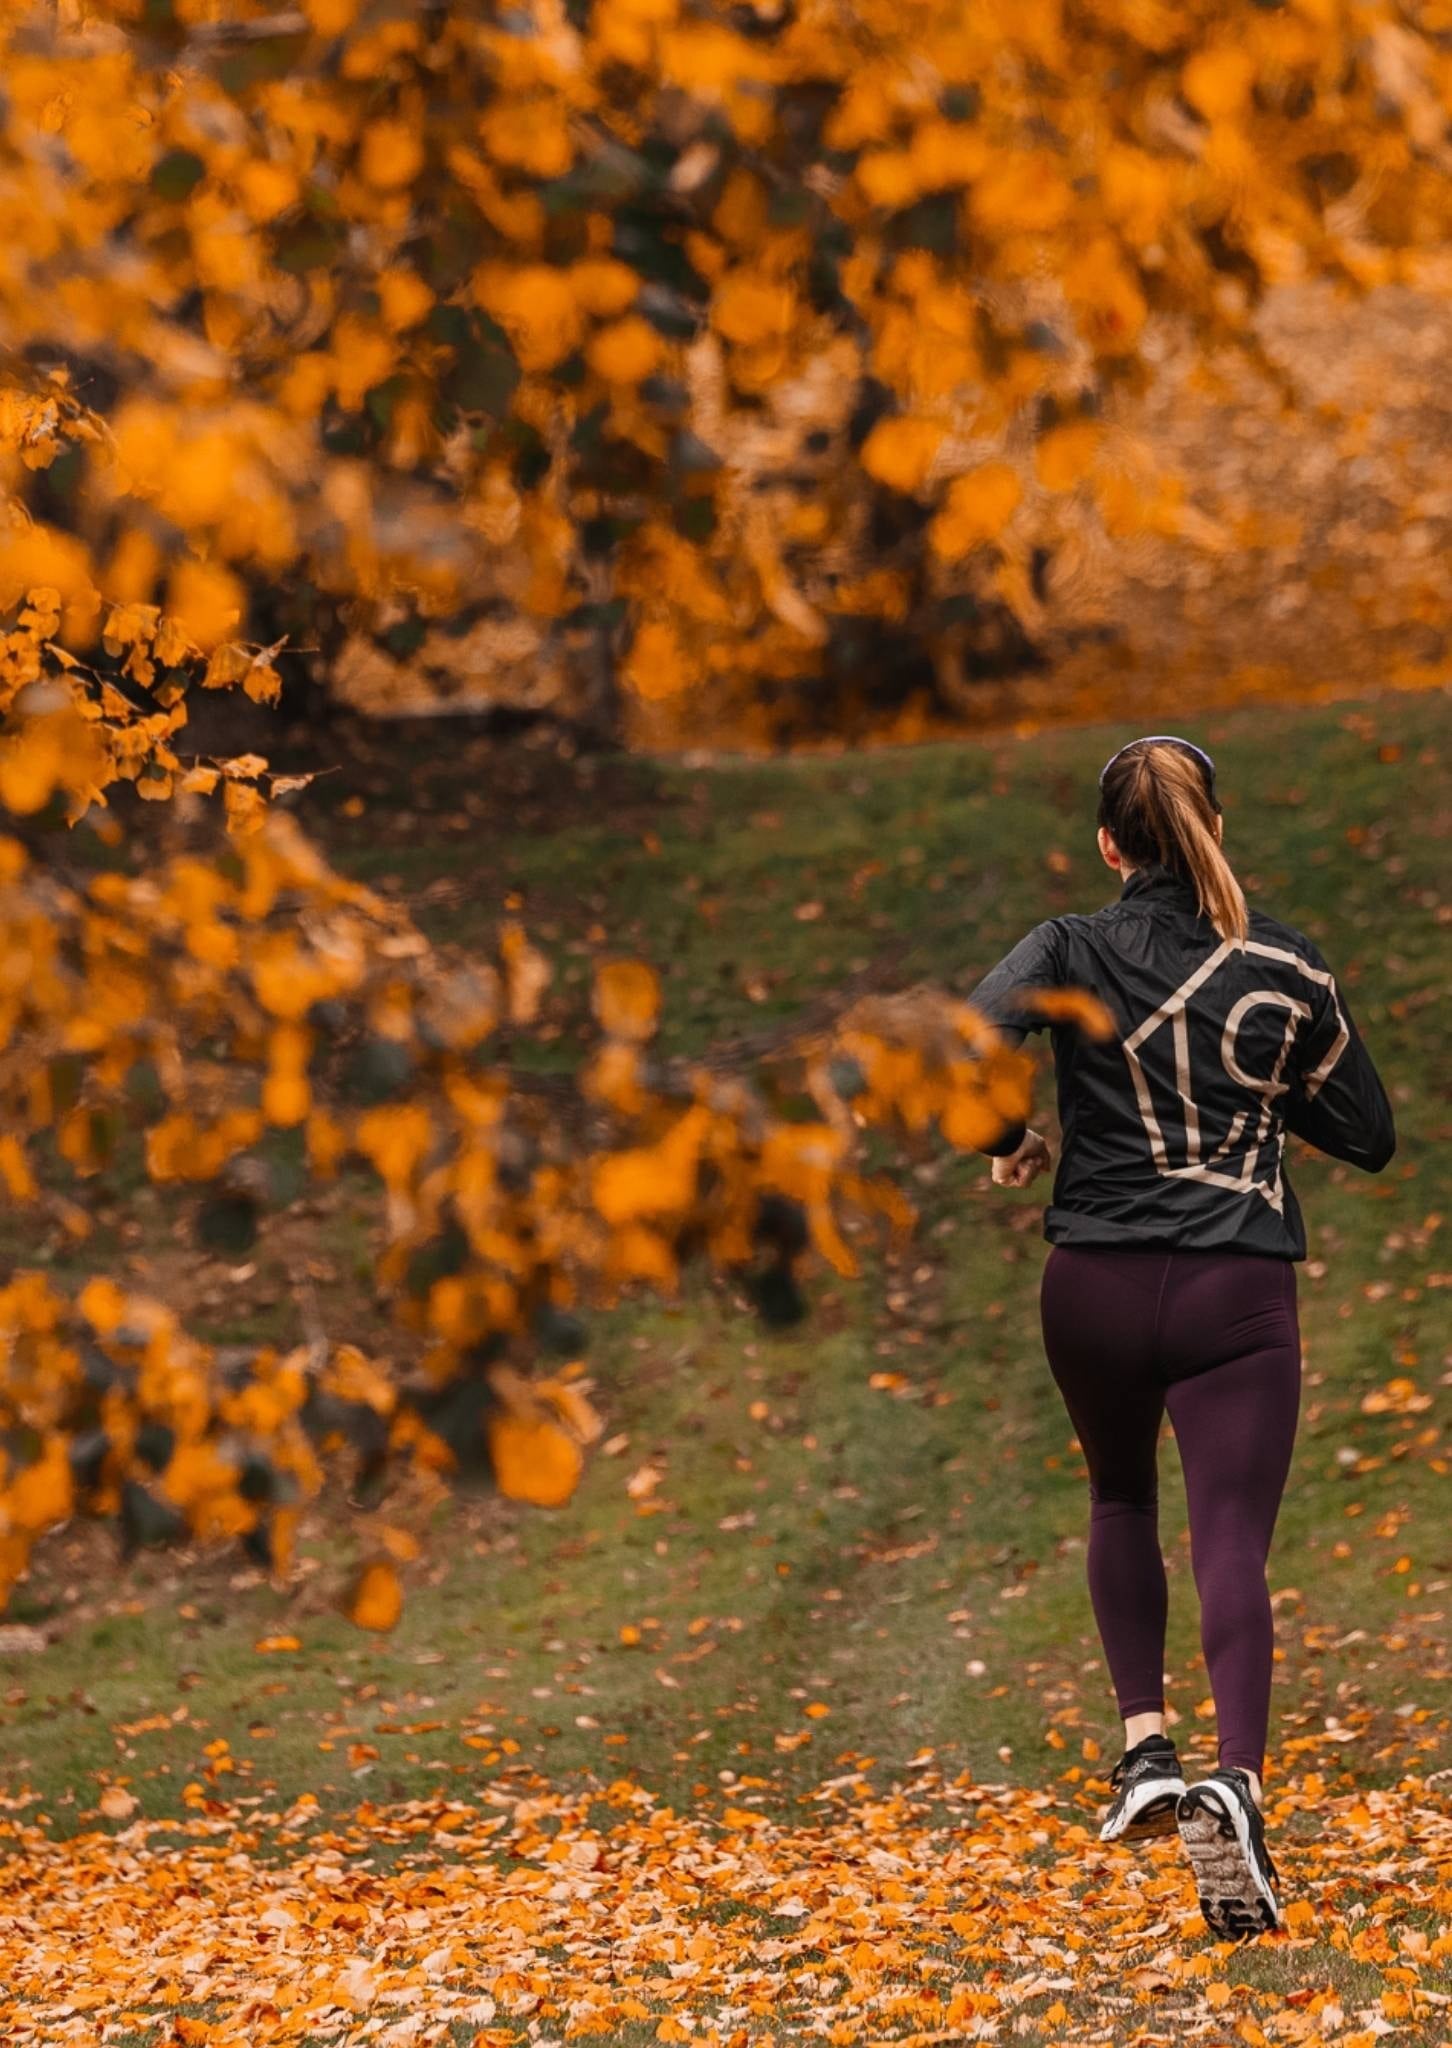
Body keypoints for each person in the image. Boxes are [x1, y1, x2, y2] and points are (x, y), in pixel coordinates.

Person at [967, 734, 1395, 1939]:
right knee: (1232, 1540)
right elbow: (1368, 1131)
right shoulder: (1286, 965)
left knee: (1119, 1501)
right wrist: (1258, 1082)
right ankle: (1238, 1783)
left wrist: (1008, 1134)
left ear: (1111, 845)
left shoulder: (1066, 944)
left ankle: (1145, 1747)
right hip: (1234, 1289)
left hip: (1091, 1283)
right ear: (1215, 825)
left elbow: (963, 1040)